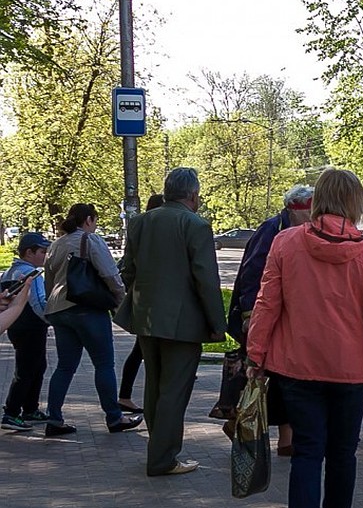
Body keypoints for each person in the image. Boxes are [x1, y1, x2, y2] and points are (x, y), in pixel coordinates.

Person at [246, 169, 363, 508]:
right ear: (356, 203)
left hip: (295, 367)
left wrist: (255, 356)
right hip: (348, 370)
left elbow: (267, 304)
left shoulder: (286, 243)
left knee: (308, 453)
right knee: (343, 452)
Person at [121, 168, 226, 476]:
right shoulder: (196, 224)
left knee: (154, 386)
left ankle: (158, 448)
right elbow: (206, 278)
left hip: (145, 317)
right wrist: (217, 323)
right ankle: (163, 458)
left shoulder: (140, 222)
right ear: (193, 195)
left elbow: (128, 270)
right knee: (174, 390)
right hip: (183, 323)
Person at [211, 184, 314, 460]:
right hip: (261, 316)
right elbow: (252, 274)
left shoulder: (294, 229)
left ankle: (285, 439)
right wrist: (249, 316)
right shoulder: (272, 230)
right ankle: (238, 423)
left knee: (283, 376)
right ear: (296, 208)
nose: (316, 214)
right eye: (311, 209)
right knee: (263, 376)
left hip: (283, 316)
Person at [43, 204, 143, 437]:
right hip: (87, 309)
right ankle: (114, 417)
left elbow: (49, 281)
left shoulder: (55, 245)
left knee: (65, 366)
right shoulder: (90, 240)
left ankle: (54, 419)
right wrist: (121, 299)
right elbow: (110, 274)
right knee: (104, 364)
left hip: (59, 310)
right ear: (88, 220)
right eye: (95, 220)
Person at [116, 193, 165, 412]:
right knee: (143, 351)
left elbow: (128, 267)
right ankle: (127, 395)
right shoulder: (155, 231)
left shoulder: (139, 228)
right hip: (156, 304)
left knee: (140, 349)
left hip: (142, 301)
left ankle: (125, 395)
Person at [0, 261, 42, 432]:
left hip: (21, 328)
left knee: (34, 367)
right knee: (26, 370)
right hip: (29, 328)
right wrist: (26, 289)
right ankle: (12, 413)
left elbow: (14, 308)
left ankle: (27, 409)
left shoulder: (8, 272)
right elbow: (15, 308)